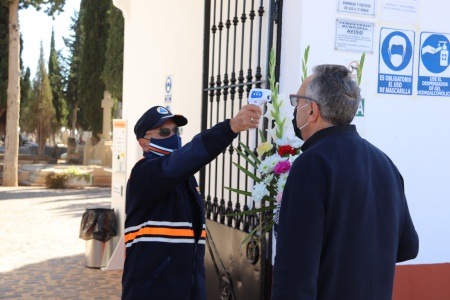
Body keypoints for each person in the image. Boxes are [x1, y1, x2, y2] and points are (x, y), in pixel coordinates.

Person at [271, 64, 419, 300]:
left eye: (296, 102)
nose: (295, 110)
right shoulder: (385, 163)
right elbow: (408, 247)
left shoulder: (310, 165)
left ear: (312, 111)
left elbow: (294, 271)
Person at [122, 104, 262, 300]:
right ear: (144, 143)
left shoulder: (185, 180)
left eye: (176, 130)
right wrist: (230, 128)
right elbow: (186, 158)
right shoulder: (143, 174)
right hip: (152, 292)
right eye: (164, 132)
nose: (173, 136)